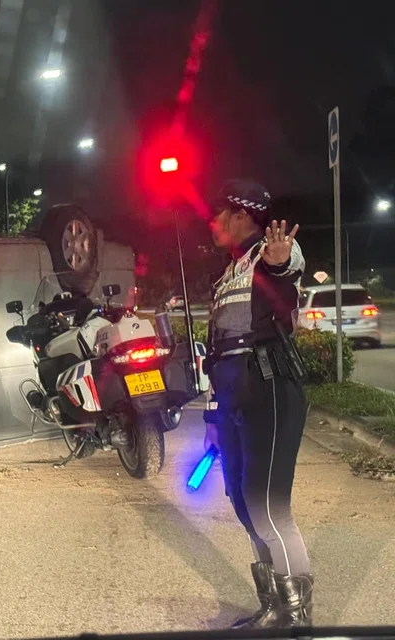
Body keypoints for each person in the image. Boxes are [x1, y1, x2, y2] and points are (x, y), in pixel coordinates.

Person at [202, 180, 313, 628]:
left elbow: (285, 281)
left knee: (268, 506)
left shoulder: (272, 252)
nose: (212, 222)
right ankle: (272, 605)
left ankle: (297, 616)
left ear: (242, 214)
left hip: (269, 386)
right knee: (243, 502)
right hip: (233, 395)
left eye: (218, 213)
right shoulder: (230, 272)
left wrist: (280, 262)